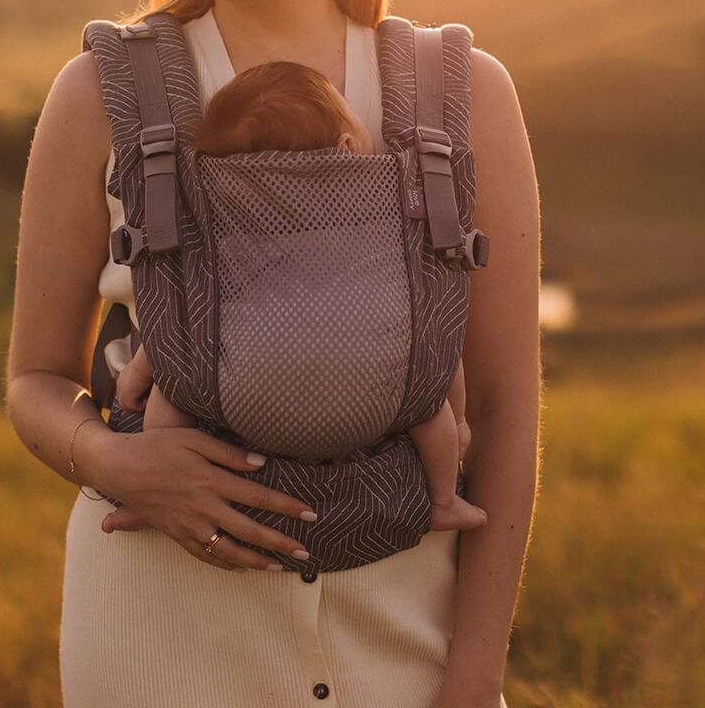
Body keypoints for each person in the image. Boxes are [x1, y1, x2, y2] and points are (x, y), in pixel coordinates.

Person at [7, 0, 539, 708]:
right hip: (157, 639)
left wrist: (474, 671)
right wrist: (118, 461)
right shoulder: (99, 94)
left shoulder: (463, 96)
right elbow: (34, 380)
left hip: (406, 635)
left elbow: (504, 407)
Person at [114, 59, 487, 533]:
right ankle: (443, 501)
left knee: (179, 386)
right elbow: (433, 314)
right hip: (379, 384)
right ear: (346, 147)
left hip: (242, 391)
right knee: (432, 371)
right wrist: (460, 418)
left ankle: (152, 495)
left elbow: (185, 315)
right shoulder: (384, 207)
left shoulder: (231, 225)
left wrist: (139, 372)